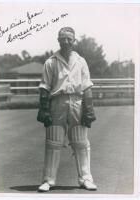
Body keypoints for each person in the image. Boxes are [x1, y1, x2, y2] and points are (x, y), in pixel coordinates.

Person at [37, 27, 97, 192]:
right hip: (57, 102)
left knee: (81, 143)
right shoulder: (51, 62)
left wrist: (89, 108)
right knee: (53, 143)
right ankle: (49, 180)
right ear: (58, 40)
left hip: (77, 102)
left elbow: (86, 86)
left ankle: (85, 179)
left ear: (74, 41)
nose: (66, 42)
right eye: (63, 38)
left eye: (69, 39)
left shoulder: (81, 61)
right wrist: (44, 108)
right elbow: (44, 87)